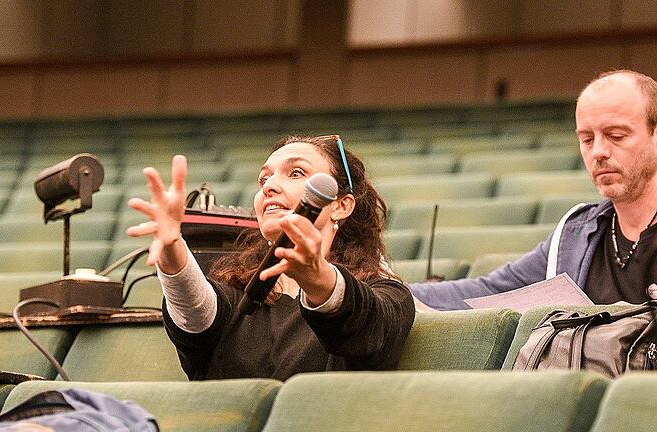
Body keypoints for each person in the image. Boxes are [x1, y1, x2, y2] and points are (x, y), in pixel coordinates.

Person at [127, 135, 415, 380]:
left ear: (341, 205)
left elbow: (367, 331)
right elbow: (196, 315)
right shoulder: (237, 295)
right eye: (264, 178)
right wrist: (172, 249)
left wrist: (317, 276)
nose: (269, 186)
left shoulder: (388, 295)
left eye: (296, 173)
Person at [410, 69, 657, 310]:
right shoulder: (574, 234)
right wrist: (391, 291)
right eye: (587, 140)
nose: (598, 152)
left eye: (616, 135)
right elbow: (491, 291)